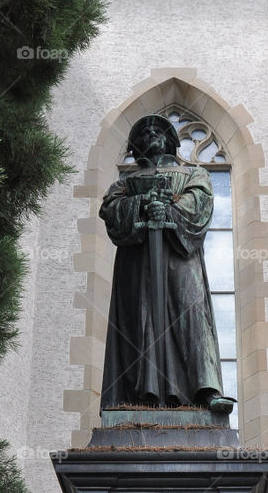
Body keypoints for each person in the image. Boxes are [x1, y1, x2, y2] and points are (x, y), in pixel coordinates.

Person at [99, 114, 233, 414]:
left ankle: (205, 393)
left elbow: (200, 203)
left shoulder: (194, 174)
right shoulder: (124, 183)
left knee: (191, 314)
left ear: (171, 141)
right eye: (144, 132)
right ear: (136, 146)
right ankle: (136, 397)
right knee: (137, 321)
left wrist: (168, 210)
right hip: (137, 263)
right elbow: (109, 210)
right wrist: (142, 205)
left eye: (158, 130)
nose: (151, 133)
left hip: (180, 258)